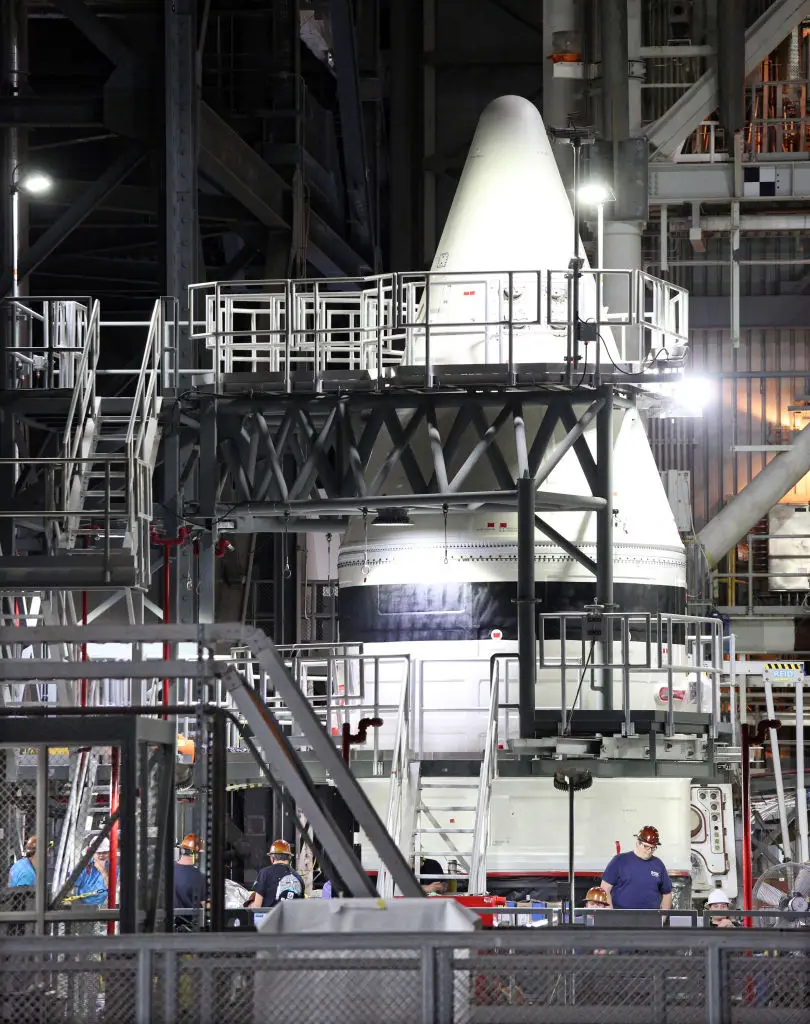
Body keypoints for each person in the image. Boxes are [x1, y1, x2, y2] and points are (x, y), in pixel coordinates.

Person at [600, 825, 673, 912]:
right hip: (621, 919)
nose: (649, 850)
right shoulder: (619, 861)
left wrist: (662, 919)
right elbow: (604, 889)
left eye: (653, 848)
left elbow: (667, 894)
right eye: (646, 846)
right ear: (638, 842)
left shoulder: (658, 865)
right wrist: (610, 915)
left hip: (650, 920)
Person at [250, 839, 304, 909]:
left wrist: (249, 904)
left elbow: (257, 907)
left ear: (272, 858)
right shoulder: (299, 878)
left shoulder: (264, 873)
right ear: (289, 857)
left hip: (270, 919)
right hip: (292, 919)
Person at [173, 833, 207, 910]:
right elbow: (205, 905)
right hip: (192, 921)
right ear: (196, 854)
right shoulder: (200, 877)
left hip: (170, 920)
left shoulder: (168, 871)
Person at [73, 837, 110, 905]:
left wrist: (102, 870)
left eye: (104, 852)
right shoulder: (84, 866)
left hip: (104, 905)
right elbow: (72, 885)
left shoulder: (112, 868)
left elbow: (111, 889)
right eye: (98, 853)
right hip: (82, 904)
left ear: (109, 853)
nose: (101, 856)